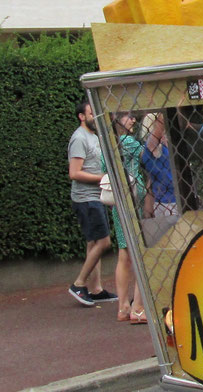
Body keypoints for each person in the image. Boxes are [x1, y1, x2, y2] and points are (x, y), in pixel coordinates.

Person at [67, 101, 118, 306]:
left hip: (94, 197)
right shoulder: (79, 138)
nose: (94, 116)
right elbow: (74, 173)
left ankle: (95, 289)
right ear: (81, 116)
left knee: (93, 243)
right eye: (91, 113)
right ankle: (78, 284)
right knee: (104, 242)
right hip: (86, 199)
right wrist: (103, 178)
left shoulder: (94, 136)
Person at [108, 112, 148, 324]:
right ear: (116, 120)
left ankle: (123, 306)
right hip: (134, 203)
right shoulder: (128, 141)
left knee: (124, 253)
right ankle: (138, 307)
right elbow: (148, 154)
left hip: (120, 203)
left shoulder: (108, 144)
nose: (132, 120)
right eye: (127, 117)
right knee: (138, 251)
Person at [141, 113, 177, 218]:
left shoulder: (163, 145)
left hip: (168, 199)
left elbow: (150, 180)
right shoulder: (151, 146)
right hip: (168, 202)